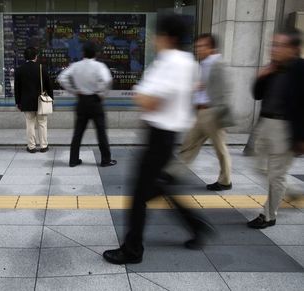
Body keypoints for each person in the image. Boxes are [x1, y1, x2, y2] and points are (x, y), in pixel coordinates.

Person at [103, 14, 215, 265]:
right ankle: (197, 226)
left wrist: (140, 95)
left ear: (168, 37)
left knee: (138, 197)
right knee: (159, 188)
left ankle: (132, 251)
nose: (154, 39)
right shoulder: (188, 62)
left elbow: (151, 101)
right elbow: (194, 92)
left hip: (159, 137)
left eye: (157, 34)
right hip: (167, 136)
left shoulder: (171, 62)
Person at [247, 30, 304, 229]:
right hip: (266, 124)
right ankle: (290, 191)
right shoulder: (274, 68)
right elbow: (256, 95)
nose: (274, 49)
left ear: (294, 49)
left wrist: (300, 138)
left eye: (280, 45)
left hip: (285, 128)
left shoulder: (301, 69)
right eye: (273, 44)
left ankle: (268, 215)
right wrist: (262, 76)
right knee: (260, 167)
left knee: (275, 175)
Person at [179, 33, 234, 191]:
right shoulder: (203, 64)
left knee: (220, 150)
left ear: (211, 48)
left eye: (201, 46)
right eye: (196, 47)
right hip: (202, 113)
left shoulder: (219, 64)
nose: (198, 49)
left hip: (213, 114)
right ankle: (172, 173)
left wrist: (220, 116)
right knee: (189, 144)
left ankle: (225, 181)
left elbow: (225, 92)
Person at [57, 41, 117, 168]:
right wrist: (101, 93)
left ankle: (73, 160)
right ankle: (105, 160)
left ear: (83, 53)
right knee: (101, 132)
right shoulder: (100, 66)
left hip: (82, 100)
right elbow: (107, 80)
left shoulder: (76, 66)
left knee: (78, 133)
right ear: (95, 53)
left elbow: (62, 78)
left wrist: (74, 90)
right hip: (95, 101)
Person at [14, 47, 53, 153]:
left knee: (30, 124)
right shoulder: (41, 68)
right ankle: (44, 146)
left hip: (26, 101)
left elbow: (17, 88)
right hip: (41, 101)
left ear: (25, 57)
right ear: (35, 57)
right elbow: (49, 86)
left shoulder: (19, 69)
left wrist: (18, 102)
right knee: (42, 123)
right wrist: (51, 99)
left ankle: (31, 147)